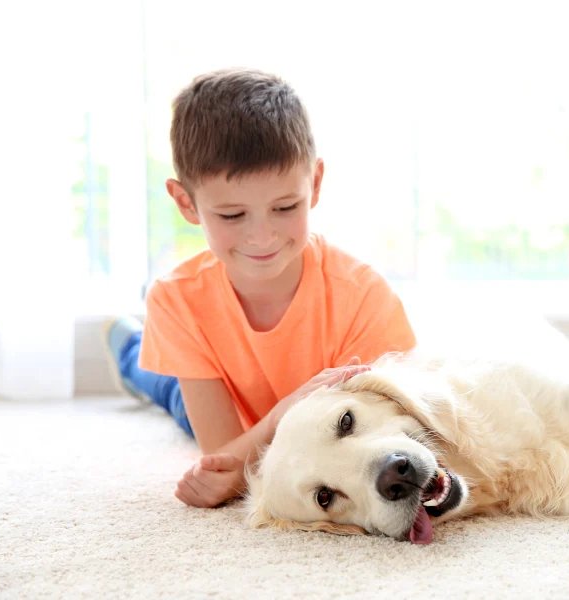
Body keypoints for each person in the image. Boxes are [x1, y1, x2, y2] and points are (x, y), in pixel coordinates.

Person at [104, 68, 416, 509]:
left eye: (286, 207)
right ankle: (130, 351)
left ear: (316, 183)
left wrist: (249, 448)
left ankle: (138, 354)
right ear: (185, 203)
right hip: (234, 412)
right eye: (232, 216)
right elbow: (220, 456)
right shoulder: (174, 298)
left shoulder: (363, 295)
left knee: (171, 386)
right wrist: (283, 412)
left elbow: (368, 439)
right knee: (169, 391)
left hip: (251, 431)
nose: (262, 237)